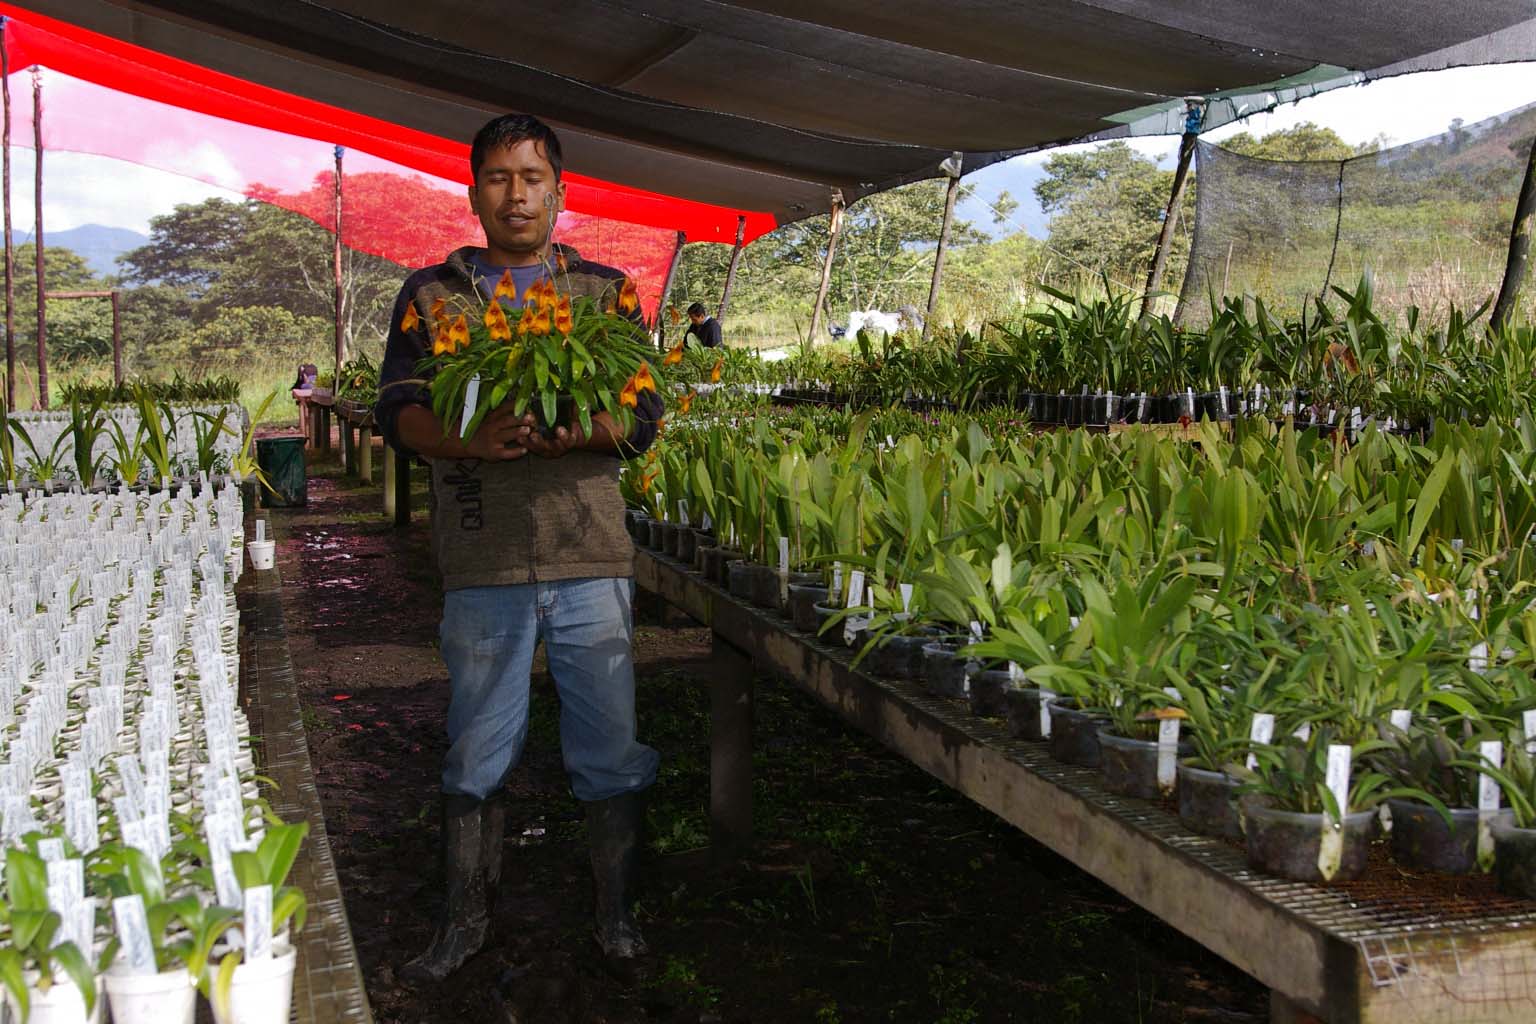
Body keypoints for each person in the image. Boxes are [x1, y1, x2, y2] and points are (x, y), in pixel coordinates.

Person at [374, 113, 664, 986]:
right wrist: (467, 440)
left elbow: (643, 415)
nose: (516, 194)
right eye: (499, 178)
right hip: (483, 557)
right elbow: (398, 411)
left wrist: (577, 432)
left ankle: (618, 917)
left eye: (532, 178)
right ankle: (463, 923)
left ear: (559, 192)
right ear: (474, 194)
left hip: (589, 553)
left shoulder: (604, 294)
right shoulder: (433, 295)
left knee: (609, 747)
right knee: (475, 749)